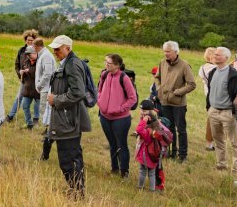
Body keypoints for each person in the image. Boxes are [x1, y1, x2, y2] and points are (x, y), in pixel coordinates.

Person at [47, 35, 91, 199]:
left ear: (68, 48)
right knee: (72, 157)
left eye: (58, 48)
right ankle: (76, 190)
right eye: (54, 48)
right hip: (67, 118)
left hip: (69, 120)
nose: (55, 51)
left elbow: (78, 92)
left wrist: (56, 99)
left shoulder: (72, 65)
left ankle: (78, 193)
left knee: (68, 159)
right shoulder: (68, 63)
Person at [154, 41, 196, 162]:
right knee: (168, 128)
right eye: (164, 51)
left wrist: (177, 92)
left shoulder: (184, 65)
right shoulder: (162, 63)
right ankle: (172, 152)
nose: (165, 53)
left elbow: (192, 84)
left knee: (181, 129)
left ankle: (183, 155)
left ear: (176, 52)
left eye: (168, 51)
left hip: (178, 104)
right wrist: (159, 88)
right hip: (165, 102)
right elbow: (157, 77)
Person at [97, 53, 138, 178]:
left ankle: (124, 172)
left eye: (109, 64)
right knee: (112, 143)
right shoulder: (104, 74)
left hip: (120, 119)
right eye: (106, 62)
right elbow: (99, 90)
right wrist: (100, 101)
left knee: (121, 144)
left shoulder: (124, 78)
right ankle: (114, 168)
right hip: (105, 117)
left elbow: (132, 98)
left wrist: (120, 109)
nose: (106, 65)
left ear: (117, 66)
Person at [205, 47, 237, 173]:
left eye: (218, 55)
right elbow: (210, 91)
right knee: (218, 139)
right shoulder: (212, 72)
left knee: (234, 142)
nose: (215, 56)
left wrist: (233, 113)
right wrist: (209, 107)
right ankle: (221, 164)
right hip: (214, 111)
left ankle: (236, 168)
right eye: (215, 54)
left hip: (227, 112)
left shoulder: (233, 75)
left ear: (226, 58)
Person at [7, 30, 39, 124]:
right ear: (25, 40)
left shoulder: (37, 51)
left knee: (37, 99)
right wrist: (19, 74)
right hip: (24, 80)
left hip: (35, 80)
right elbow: (17, 65)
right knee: (19, 97)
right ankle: (11, 116)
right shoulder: (21, 51)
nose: (30, 42)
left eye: (32, 40)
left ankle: (36, 119)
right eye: (28, 40)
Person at [199, 47, 217, 151]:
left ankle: (210, 143)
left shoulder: (202, 67)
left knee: (212, 120)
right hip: (214, 96)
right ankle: (209, 143)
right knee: (212, 121)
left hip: (208, 96)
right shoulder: (211, 68)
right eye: (216, 55)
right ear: (211, 56)